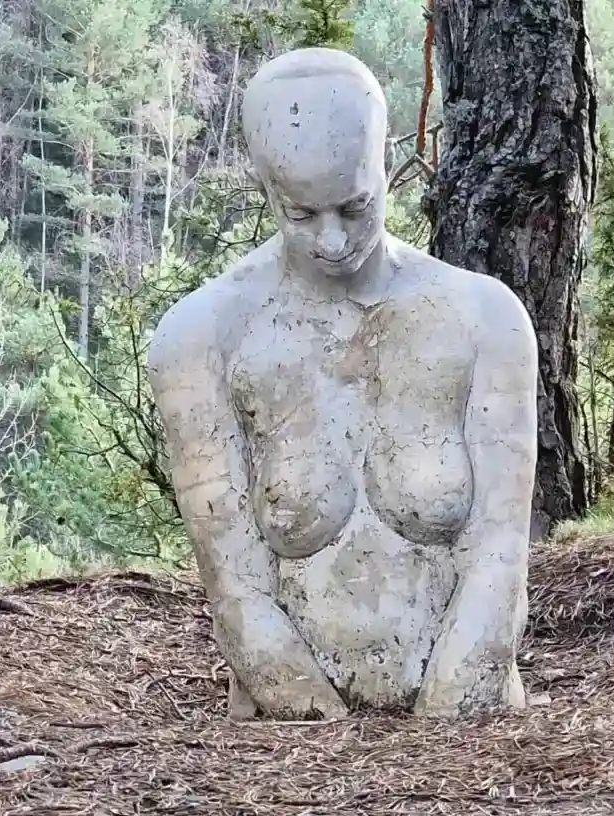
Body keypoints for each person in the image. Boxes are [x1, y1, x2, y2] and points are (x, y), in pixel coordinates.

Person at [147, 48, 537, 720]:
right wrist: (324, 749)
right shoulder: (202, 339)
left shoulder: (485, 318)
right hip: (287, 742)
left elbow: (498, 560)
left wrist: (439, 747)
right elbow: (239, 593)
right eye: (302, 215)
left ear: (387, 164)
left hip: (467, 734)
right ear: (267, 188)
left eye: (355, 206)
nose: (332, 241)